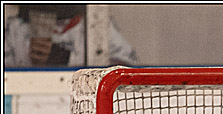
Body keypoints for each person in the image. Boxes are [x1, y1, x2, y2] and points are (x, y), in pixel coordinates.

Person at [4, 4, 138, 67]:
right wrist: (35, 64)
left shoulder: (97, 23)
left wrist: (66, 58)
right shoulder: (16, 28)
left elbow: (128, 70)